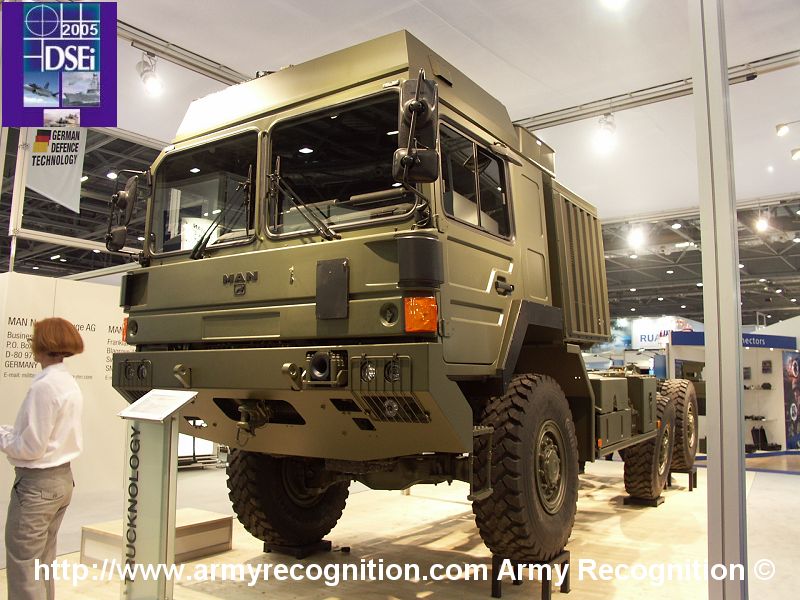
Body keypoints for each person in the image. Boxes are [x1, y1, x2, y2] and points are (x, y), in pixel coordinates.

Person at [0, 317, 84, 600]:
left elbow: (31, 448)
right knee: (42, 564)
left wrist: (2, 438)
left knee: (24, 567)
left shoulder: (45, 387)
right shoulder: (66, 382)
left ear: (43, 343)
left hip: (37, 486)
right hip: (61, 480)